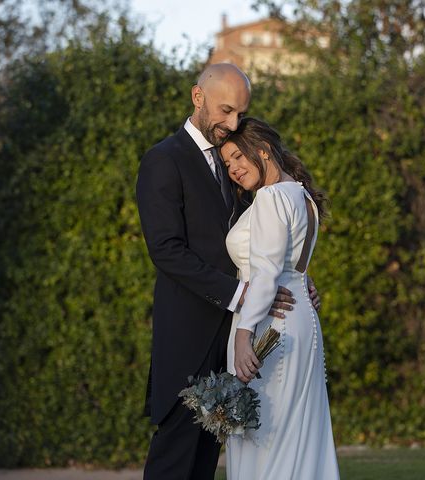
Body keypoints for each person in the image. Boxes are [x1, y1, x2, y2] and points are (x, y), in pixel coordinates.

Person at [136, 64, 320, 480]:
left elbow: (264, 242)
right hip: (190, 336)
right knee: (173, 460)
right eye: (226, 110)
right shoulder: (163, 160)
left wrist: (297, 278)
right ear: (197, 97)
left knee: (205, 464)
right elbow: (165, 250)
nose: (233, 123)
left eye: (240, 113)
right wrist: (241, 294)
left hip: (237, 338)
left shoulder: (234, 165)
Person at [221, 117, 340, 479]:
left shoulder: (272, 196)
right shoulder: (301, 195)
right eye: (227, 164)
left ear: (263, 151)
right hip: (300, 321)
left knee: (265, 439)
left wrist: (244, 336)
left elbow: (268, 272)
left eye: (238, 158)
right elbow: (292, 263)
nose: (234, 169)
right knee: (296, 436)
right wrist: (305, 287)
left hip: (269, 327)